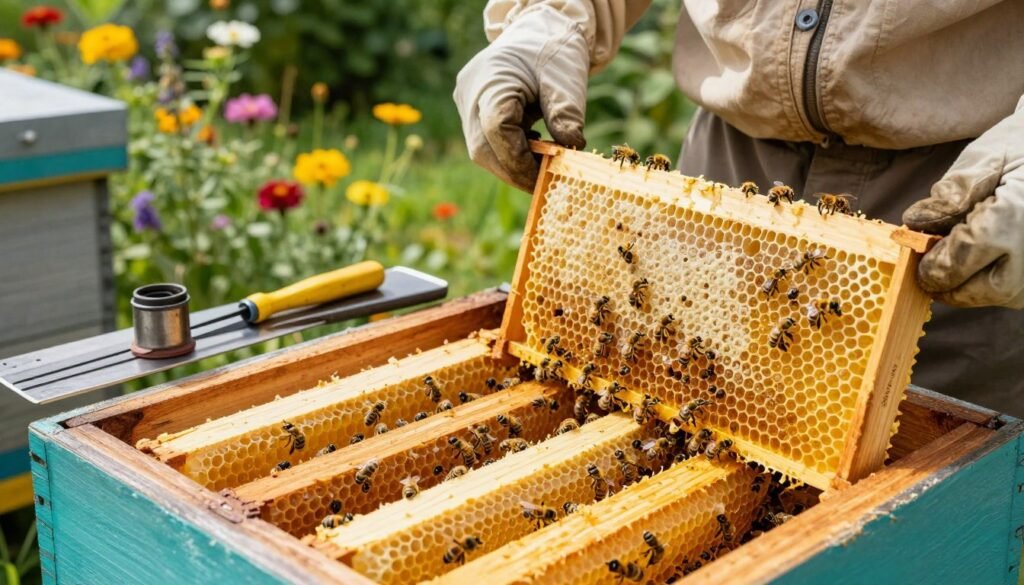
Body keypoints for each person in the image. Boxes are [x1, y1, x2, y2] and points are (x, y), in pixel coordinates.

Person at [455, 1, 1024, 415]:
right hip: (723, 179)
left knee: (928, 505)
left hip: (963, 197)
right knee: (675, 434)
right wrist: (548, 18)